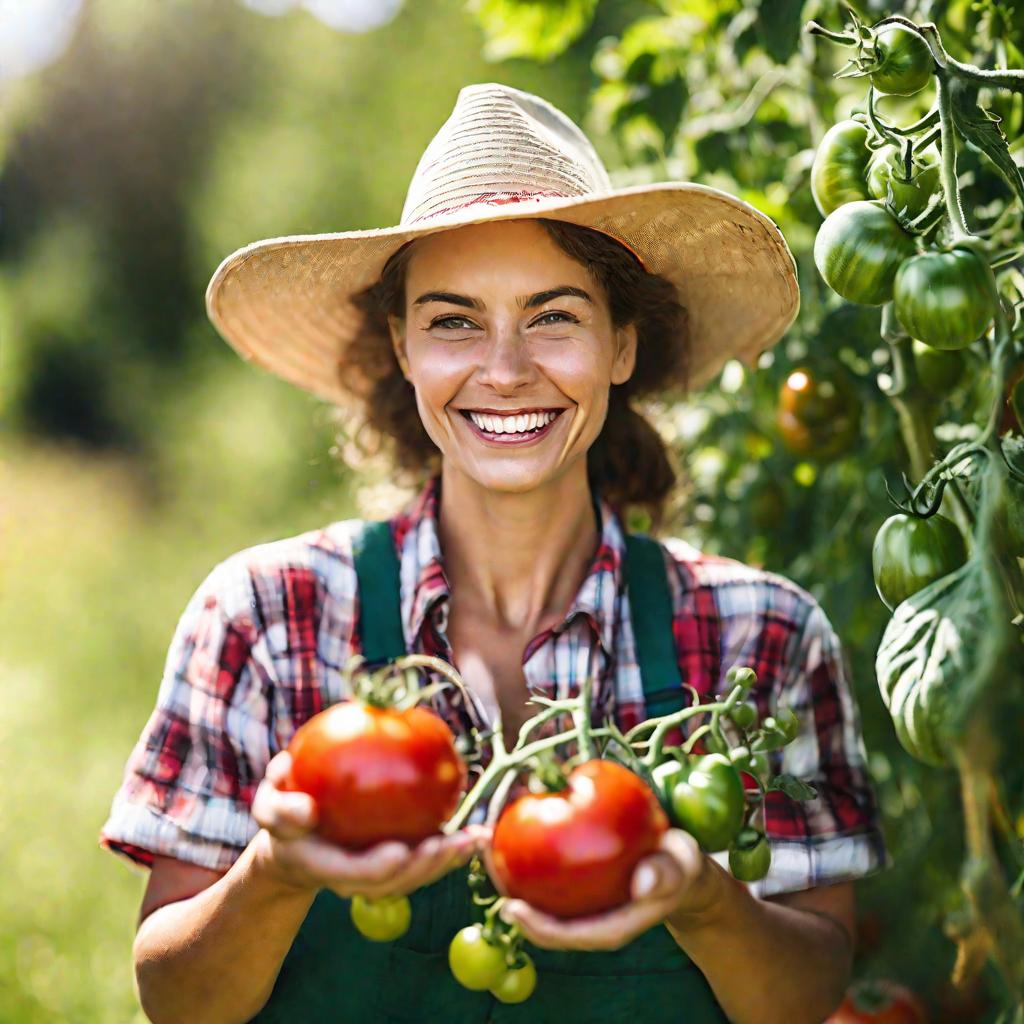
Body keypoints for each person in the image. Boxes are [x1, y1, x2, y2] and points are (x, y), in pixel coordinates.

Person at [101, 83, 889, 1024]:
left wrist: (704, 902)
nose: (506, 370)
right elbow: (175, 1000)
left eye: (554, 317)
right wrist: (274, 874)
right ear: (401, 346)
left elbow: (807, 992)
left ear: (621, 344)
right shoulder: (267, 617)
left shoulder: (757, 635)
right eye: (454, 321)